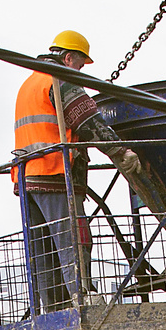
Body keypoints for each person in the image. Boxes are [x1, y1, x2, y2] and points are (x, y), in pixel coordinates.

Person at [12, 30, 141, 311]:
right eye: (81, 66)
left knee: (43, 246)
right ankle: (84, 296)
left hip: (27, 177)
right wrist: (120, 151)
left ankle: (55, 307)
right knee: (74, 236)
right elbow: (88, 122)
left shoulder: (30, 82)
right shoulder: (61, 80)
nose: (81, 72)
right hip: (55, 172)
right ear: (68, 58)